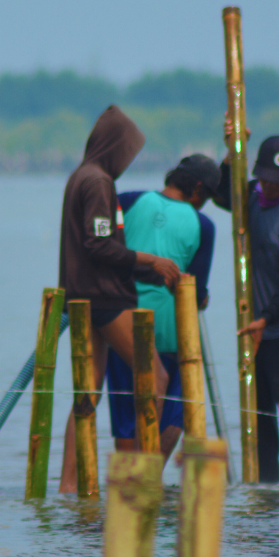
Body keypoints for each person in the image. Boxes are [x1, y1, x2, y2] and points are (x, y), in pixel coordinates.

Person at [57, 105, 181, 493]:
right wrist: (152, 259)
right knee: (156, 376)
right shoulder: (98, 181)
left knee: (89, 392)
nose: (128, 162)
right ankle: (139, 481)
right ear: (113, 148)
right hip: (105, 300)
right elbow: (97, 245)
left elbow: (108, 248)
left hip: (85, 295)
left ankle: (67, 488)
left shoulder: (82, 176)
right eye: (127, 152)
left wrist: (152, 272)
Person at [212, 125, 279, 484]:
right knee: (262, 425)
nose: (268, 186)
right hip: (254, 333)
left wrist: (266, 320)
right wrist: (231, 149)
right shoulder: (253, 196)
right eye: (264, 178)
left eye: (277, 180)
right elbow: (222, 195)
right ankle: (267, 499)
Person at [104, 153, 219, 459]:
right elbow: (194, 290)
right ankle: (149, 481)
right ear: (196, 189)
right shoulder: (203, 225)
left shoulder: (126, 201)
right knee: (174, 412)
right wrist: (203, 297)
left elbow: (105, 250)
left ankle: (127, 492)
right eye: (206, 195)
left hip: (120, 327)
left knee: (126, 418)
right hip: (171, 333)